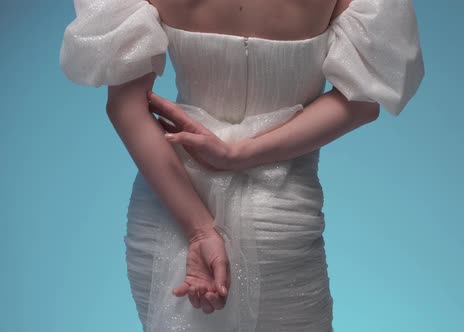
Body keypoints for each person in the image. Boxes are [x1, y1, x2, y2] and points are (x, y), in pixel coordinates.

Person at [59, 0, 425, 331]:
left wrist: (199, 231)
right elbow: (362, 102)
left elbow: (125, 107)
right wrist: (240, 154)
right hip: (279, 210)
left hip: (171, 205)